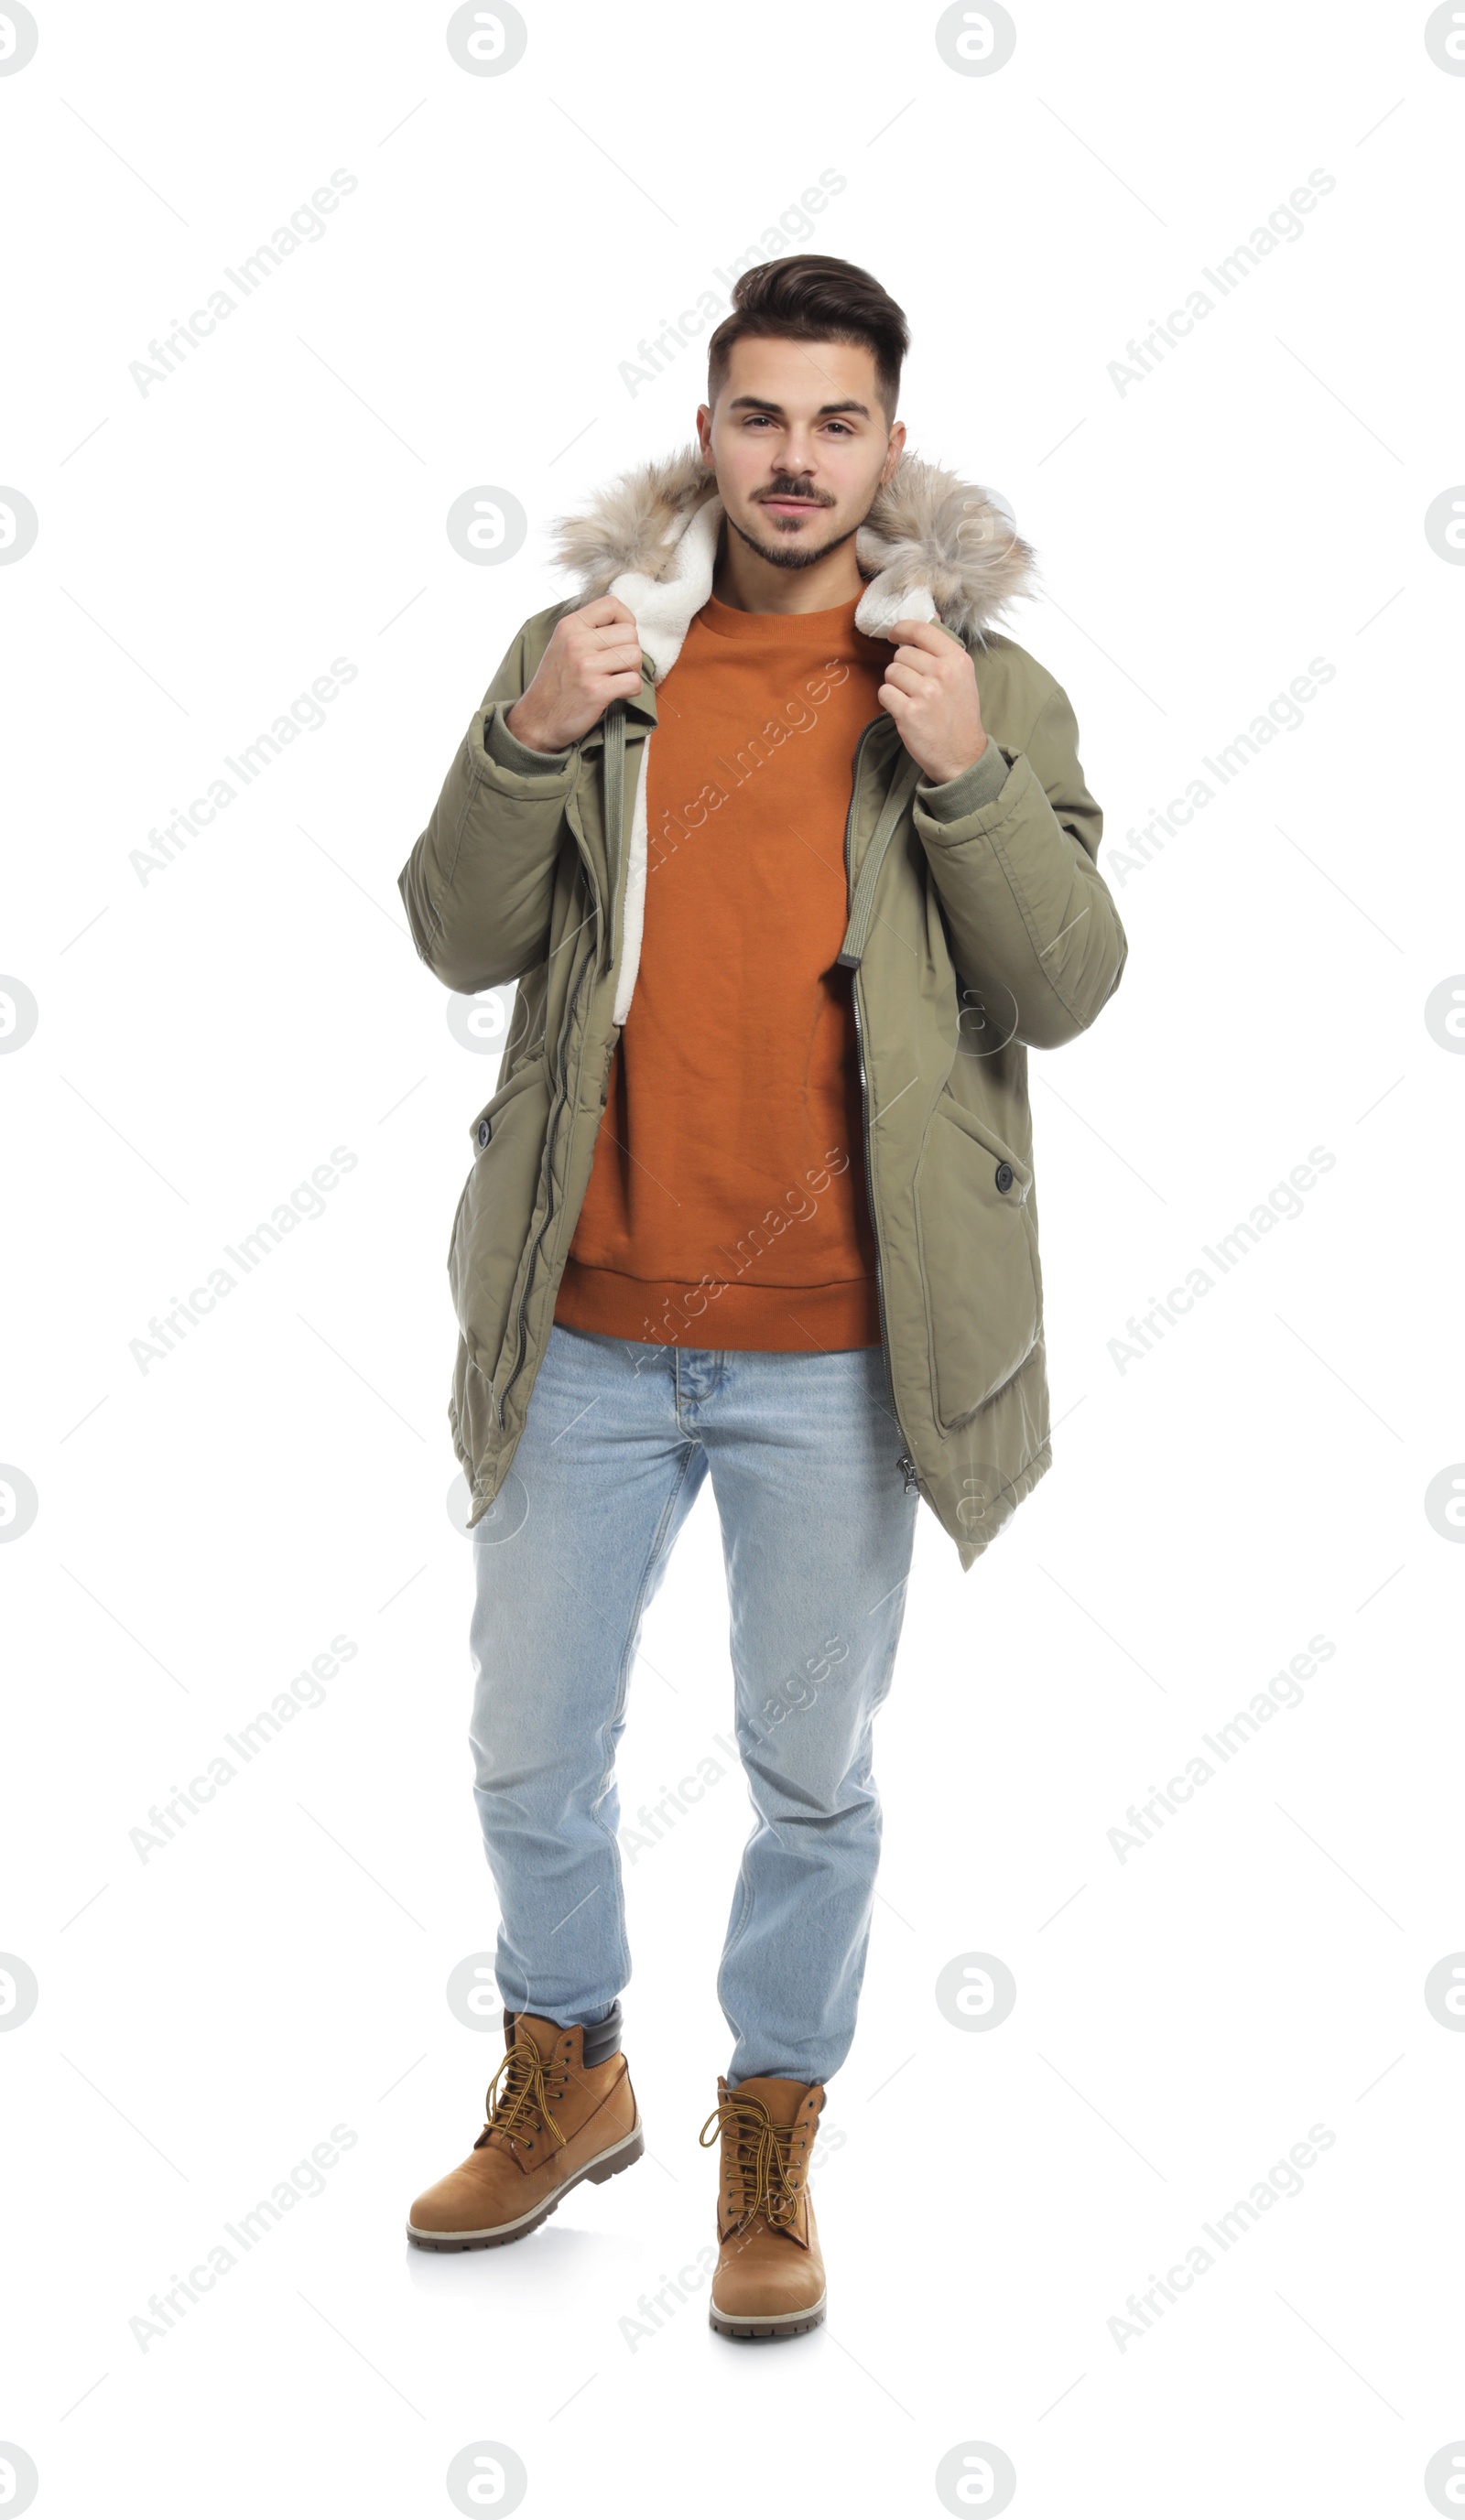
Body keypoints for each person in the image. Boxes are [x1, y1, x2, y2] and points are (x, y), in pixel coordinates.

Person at [396, 254, 1127, 2339]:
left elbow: (1063, 987)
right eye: (755, 417)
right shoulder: (596, 657)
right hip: (586, 1326)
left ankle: (770, 2129)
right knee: (529, 1754)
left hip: (834, 1351)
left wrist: (973, 772)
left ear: (887, 441)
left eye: (833, 421)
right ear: (701, 433)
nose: (791, 459)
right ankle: (565, 2072)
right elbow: (453, 935)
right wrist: (530, 732)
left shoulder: (975, 678)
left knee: (809, 1779)